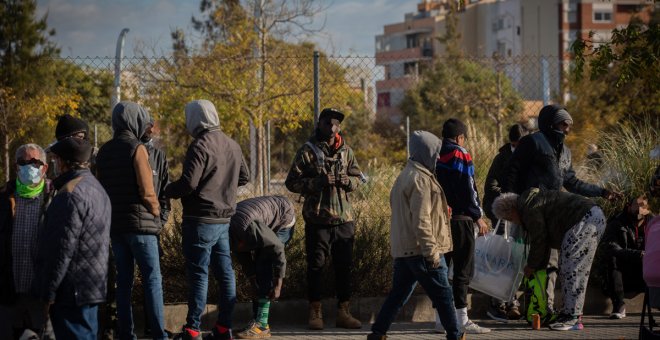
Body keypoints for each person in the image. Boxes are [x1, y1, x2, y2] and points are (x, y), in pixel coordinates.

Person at [503, 104, 621, 312]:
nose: (567, 129)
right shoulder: (532, 143)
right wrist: (512, 201)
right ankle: (523, 305)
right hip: (530, 213)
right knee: (529, 259)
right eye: (563, 124)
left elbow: (572, 182)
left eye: (569, 125)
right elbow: (512, 171)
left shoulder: (565, 152)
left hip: (554, 216)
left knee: (551, 264)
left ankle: (544, 308)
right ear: (550, 123)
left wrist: (602, 192)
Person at [367, 131, 464, 340]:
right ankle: (455, 335)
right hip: (422, 249)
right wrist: (432, 253)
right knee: (444, 295)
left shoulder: (406, 175)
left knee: (398, 295)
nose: (438, 157)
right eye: (435, 152)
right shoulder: (421, 180)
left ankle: (377, 333)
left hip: (405, 249)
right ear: (425, 152)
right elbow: (421, 221)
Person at [165, 99, 249, 340]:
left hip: (200, 220)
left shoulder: (199, 145)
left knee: (199, 275)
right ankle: (224, 328)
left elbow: (188, 184)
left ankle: (192, 330)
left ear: (195, 118)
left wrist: (166, 190)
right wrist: (224, 187)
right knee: (226, 274)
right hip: (224, 221)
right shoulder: (232, 144)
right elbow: (245, 177)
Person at [285, 108, 363, 330]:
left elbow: (359, 178)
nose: (332, 127)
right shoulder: (307, 151)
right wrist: (317, 182)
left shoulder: (346, 151)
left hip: (344, 220)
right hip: (317, 220)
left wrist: (347, 181)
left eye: (336, 124)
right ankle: (315, 311)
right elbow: (291, 182)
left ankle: (343, 312)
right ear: (319, 124)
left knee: (344, 267)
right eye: (327, 123)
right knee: (316, 267)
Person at [95, 101, 168, 340]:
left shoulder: (104, 152)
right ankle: (159, 335)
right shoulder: (137, 148)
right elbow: (147, 191)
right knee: (152, 280)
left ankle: (126, 334)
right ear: (135, 120)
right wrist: (156, 213)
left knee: (123, 283)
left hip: (116, 227)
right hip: (142, 227)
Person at [492, 188, 607, 331]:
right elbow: (544, 241)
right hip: (589, 218)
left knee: (573, 269)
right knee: (567, 268)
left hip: (584, 220)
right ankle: (569, 314)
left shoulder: (528, 207)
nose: (514, 222)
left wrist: (532, 265)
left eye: (510, 219)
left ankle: (572, 317)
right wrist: (536, 265)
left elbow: (539, 239)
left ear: (511, 210)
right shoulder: (529, 202)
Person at [32, 137, 111, 339]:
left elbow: (59, 250)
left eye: (56, 160)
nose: (54, 166)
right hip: (91, 286)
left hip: (71, 292)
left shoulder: (69, 194)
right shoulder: (97, 189)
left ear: (64, 162)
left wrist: (48, 293)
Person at [434, 118, 491, 334]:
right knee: (462, 270)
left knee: (441, 271)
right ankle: (462, 319)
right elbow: (468, 187)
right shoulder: (460, 153)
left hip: (441, 221)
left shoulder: (435, 154)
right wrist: (477, 216)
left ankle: (440, 319)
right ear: (460, 137)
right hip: (461, 220)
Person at [0, 144, 55, 340]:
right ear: (16, 167)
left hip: (39, 294)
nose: (29, 167)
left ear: (45, 168)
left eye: (34, 162)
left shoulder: (53, 199)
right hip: (9, 291)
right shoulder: (5, 198)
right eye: (23, 162)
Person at [229, 195, 296, 339]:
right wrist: (253, 282)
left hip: (283, 218)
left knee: (263, 263)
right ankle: (257, 321)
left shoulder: (248, 228)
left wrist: (278, 284)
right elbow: (243, 255)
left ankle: (262, 326)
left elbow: (277, 248)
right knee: (259, 271)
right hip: (261, 218)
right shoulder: (230, 236)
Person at [482, 124, 527, 322]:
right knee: (501, 258)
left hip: (520, 216)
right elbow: (491, 185)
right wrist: (510, 199)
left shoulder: (530, 156)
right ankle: (497, 303)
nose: (517, 147)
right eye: (515, 144)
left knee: (517, 259)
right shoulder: (502, 158)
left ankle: (511, 301)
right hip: (504, 215)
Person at [140, 119, 173, 337]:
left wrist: (160, 221)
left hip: (151, 227)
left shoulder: (158, 156)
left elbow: (165, 193)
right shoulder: (128, 150)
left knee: (152, 278)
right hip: (133, 225)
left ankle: (154, 327)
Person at [601, 195, 652, 319]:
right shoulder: (617, 222)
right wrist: (637, 255)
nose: (640, 209)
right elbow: (611, 247)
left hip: (647, 271)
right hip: (625, 272)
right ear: (629, 206)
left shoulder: (654, 223)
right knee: (612, 258)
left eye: (643, 206)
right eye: (637, 205)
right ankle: (619, 306)